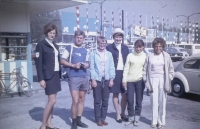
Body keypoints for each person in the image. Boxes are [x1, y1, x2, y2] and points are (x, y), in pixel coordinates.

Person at [60, 30, 90, 129]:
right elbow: (62, 61)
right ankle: (73, 122)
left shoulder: (86, 50)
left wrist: (86, 65)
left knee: (82, 99)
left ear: (83, 39)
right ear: (74, 38)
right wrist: (73, 65)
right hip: (73, 77)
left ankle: (79, 120)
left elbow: (88, 63)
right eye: (77, 37)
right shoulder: (69, 48)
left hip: (84, 77)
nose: (79, 39)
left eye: (81, 38)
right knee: (75, 100)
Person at [143, 37, 174, 129]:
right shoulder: (149, 55)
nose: (158, 48)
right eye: (156, 46)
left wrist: (169, 78)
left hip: (163, 80)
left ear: (163, 46)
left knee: (162, 102)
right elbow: (144, 70)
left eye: (160, 46)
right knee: (154, 102)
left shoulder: (166, 56)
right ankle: (154, 122)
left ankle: (160, 122)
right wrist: (145, 80)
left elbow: (171, 70)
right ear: (154, 46)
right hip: (152, 80)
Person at [35, 23, 61, 129]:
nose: (52, 35)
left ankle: (49, 123)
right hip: (48, 75)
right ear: (46, 32)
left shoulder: (55, 45)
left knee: (52, 101)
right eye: (51, 33)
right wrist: (41, 79)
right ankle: (43, 125)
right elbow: (38, 63)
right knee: (52, 101)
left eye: (54, 33)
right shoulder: (40, 45)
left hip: (55, 75)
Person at [90, 36, 115, 126]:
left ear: (106, 44)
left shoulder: (109, 54)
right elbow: (92, 68)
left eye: (104, 43)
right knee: (97, 101)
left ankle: (103, 118)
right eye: (100, 43)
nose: (102, 45)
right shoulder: (93, 54)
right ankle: (98, 119)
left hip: (107, 79)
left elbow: (112, 67)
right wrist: (93, 80)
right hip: (97, 79)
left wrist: (112, 79)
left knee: (105, 101)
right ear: (98, 43)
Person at [106, 28, 129, 123]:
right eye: (116, 36)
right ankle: (118, 114)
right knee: (115, 94)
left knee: (125, 95)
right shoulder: (109, 48)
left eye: (120, 37)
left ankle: (123, 113)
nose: (118, 39)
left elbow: (128, 61)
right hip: (114, 73)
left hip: (124, 73)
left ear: (122, 38)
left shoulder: (125, 48)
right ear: (113, 37)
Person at [122, 39, 146, 126]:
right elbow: (126, 68)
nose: (138, 48)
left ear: (143, 47)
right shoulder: (130, 55)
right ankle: (131, 118)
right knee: (130, 100)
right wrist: (124, 80)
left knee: (139, 101)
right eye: (137, 47)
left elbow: (146, 69)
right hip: (130, 81)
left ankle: (137, 119)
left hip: (140, 81)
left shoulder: (145, 56)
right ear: (134, 46)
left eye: (140, 47)